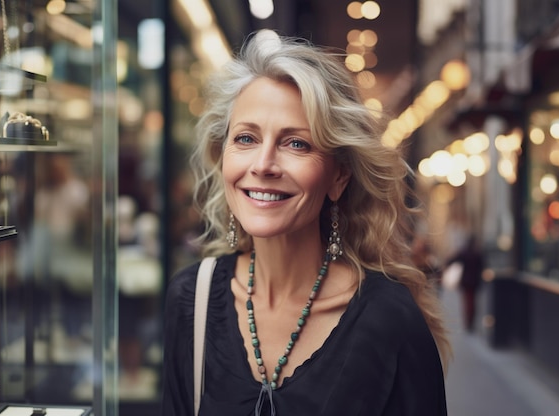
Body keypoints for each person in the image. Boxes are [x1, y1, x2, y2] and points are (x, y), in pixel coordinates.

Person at [161, 30, 451, 415]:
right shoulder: (190, 300)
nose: (263, 165)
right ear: (222, 156)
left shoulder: (390, 320)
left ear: (338, 177)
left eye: (296, 143)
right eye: (246, 138)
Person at [445, 235, 484, 332]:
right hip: (474, 281)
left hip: (466, 281)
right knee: (472, 302)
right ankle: (470, 321)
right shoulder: (477, 254)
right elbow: (482, 267)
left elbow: (451, 260)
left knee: (468, 301)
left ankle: (468, 321)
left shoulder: (464, 253)